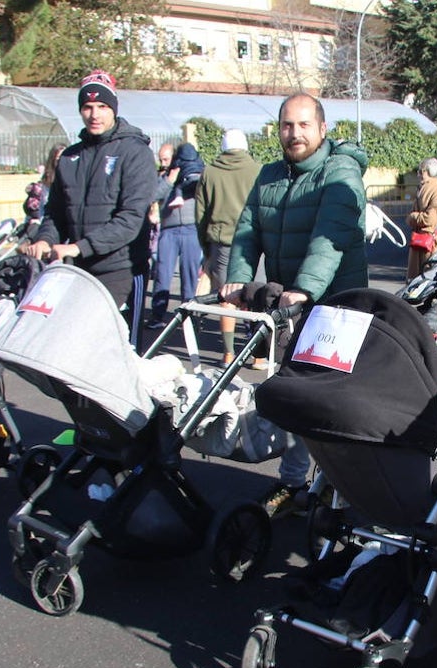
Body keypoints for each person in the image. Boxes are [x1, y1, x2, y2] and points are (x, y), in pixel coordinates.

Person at [223, 93, 368, 519]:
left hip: (335, 306)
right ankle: (291, 483)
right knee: (292, 394)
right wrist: (238, 277)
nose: (295, 133)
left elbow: (331, 233)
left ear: (322, 129)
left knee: (329, 402)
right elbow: (247, 230)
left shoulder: (339, 171)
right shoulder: (269, 175)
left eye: (304, 125)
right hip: (291, 307)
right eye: (287, 125)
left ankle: (333, 485)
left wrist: (305, 287)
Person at [21, 70, 155, 348]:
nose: (95, 114)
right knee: (77, 351)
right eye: (87, 107)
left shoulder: (135, 152)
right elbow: (56, 212)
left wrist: (79, 247)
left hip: (122, 270)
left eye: (102, 107)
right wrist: (45, 239)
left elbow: (131, 219)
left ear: (113, 109)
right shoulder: (70, 157)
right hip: (78, 271)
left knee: (120, 353)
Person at [196, 128, 261, 365]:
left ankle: (228, 352)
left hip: (221, 242)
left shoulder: (209, 172)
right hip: (253, 242)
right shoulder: (258, 170)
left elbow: (201, 214)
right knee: (256, 296)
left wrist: (206, 249)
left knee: (226, 297)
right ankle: (259, 355)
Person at [147, 142, 205, 327]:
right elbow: (153, 196)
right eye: (161, 159)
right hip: (168, 230)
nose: (163, 163)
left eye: (166, 159)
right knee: (162, 274)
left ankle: (189, 316)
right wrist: (170, 180)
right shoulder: (163, 177)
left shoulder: (194, 174)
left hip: (190, 229)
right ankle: (157, 316)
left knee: (189, 276)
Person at [406, 157, 437, 279]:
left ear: (431, 171)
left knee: (425, 280)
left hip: (431, 243)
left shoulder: (436, 189)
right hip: (427, 241)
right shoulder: (429, 188)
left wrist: (412, 217)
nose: (419, 174)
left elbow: (430, 218)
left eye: (421, 171)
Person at [24, 143, 67, 227]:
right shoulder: (48, 180)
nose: (62, 163)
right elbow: (43, 205)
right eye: (58, 159)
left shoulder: (76, 177)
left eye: (65, 159)